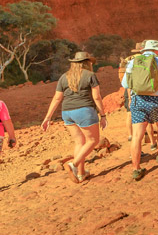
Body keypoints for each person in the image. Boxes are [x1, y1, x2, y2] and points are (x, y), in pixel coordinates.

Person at [41, 52, 108, 183]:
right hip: (84, 111)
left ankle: (81, 174)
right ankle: (73, 165)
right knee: (93, 140)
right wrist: (103, 115)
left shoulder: (64, 77)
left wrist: (47, 118)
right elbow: (96, 97)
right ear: (87, 63)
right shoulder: (90, 75)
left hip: (67, 112)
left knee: (80, 142)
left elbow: (57, 98)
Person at [122, 39, 158, 180]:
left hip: (137, 101)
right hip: (156, 100)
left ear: (143, 50)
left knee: (137, 136)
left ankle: (136, 169)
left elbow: (125, 83)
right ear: (157, 50)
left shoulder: (133, 61)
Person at [119, 42, 156, 150]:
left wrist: (129, 94)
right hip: (144, 89)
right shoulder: (146, 58)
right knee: (147, 117)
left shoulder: (127, 59)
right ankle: (152, 142)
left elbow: (122, 77)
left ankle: (131, 136)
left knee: (129, 114)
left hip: (129, 89)